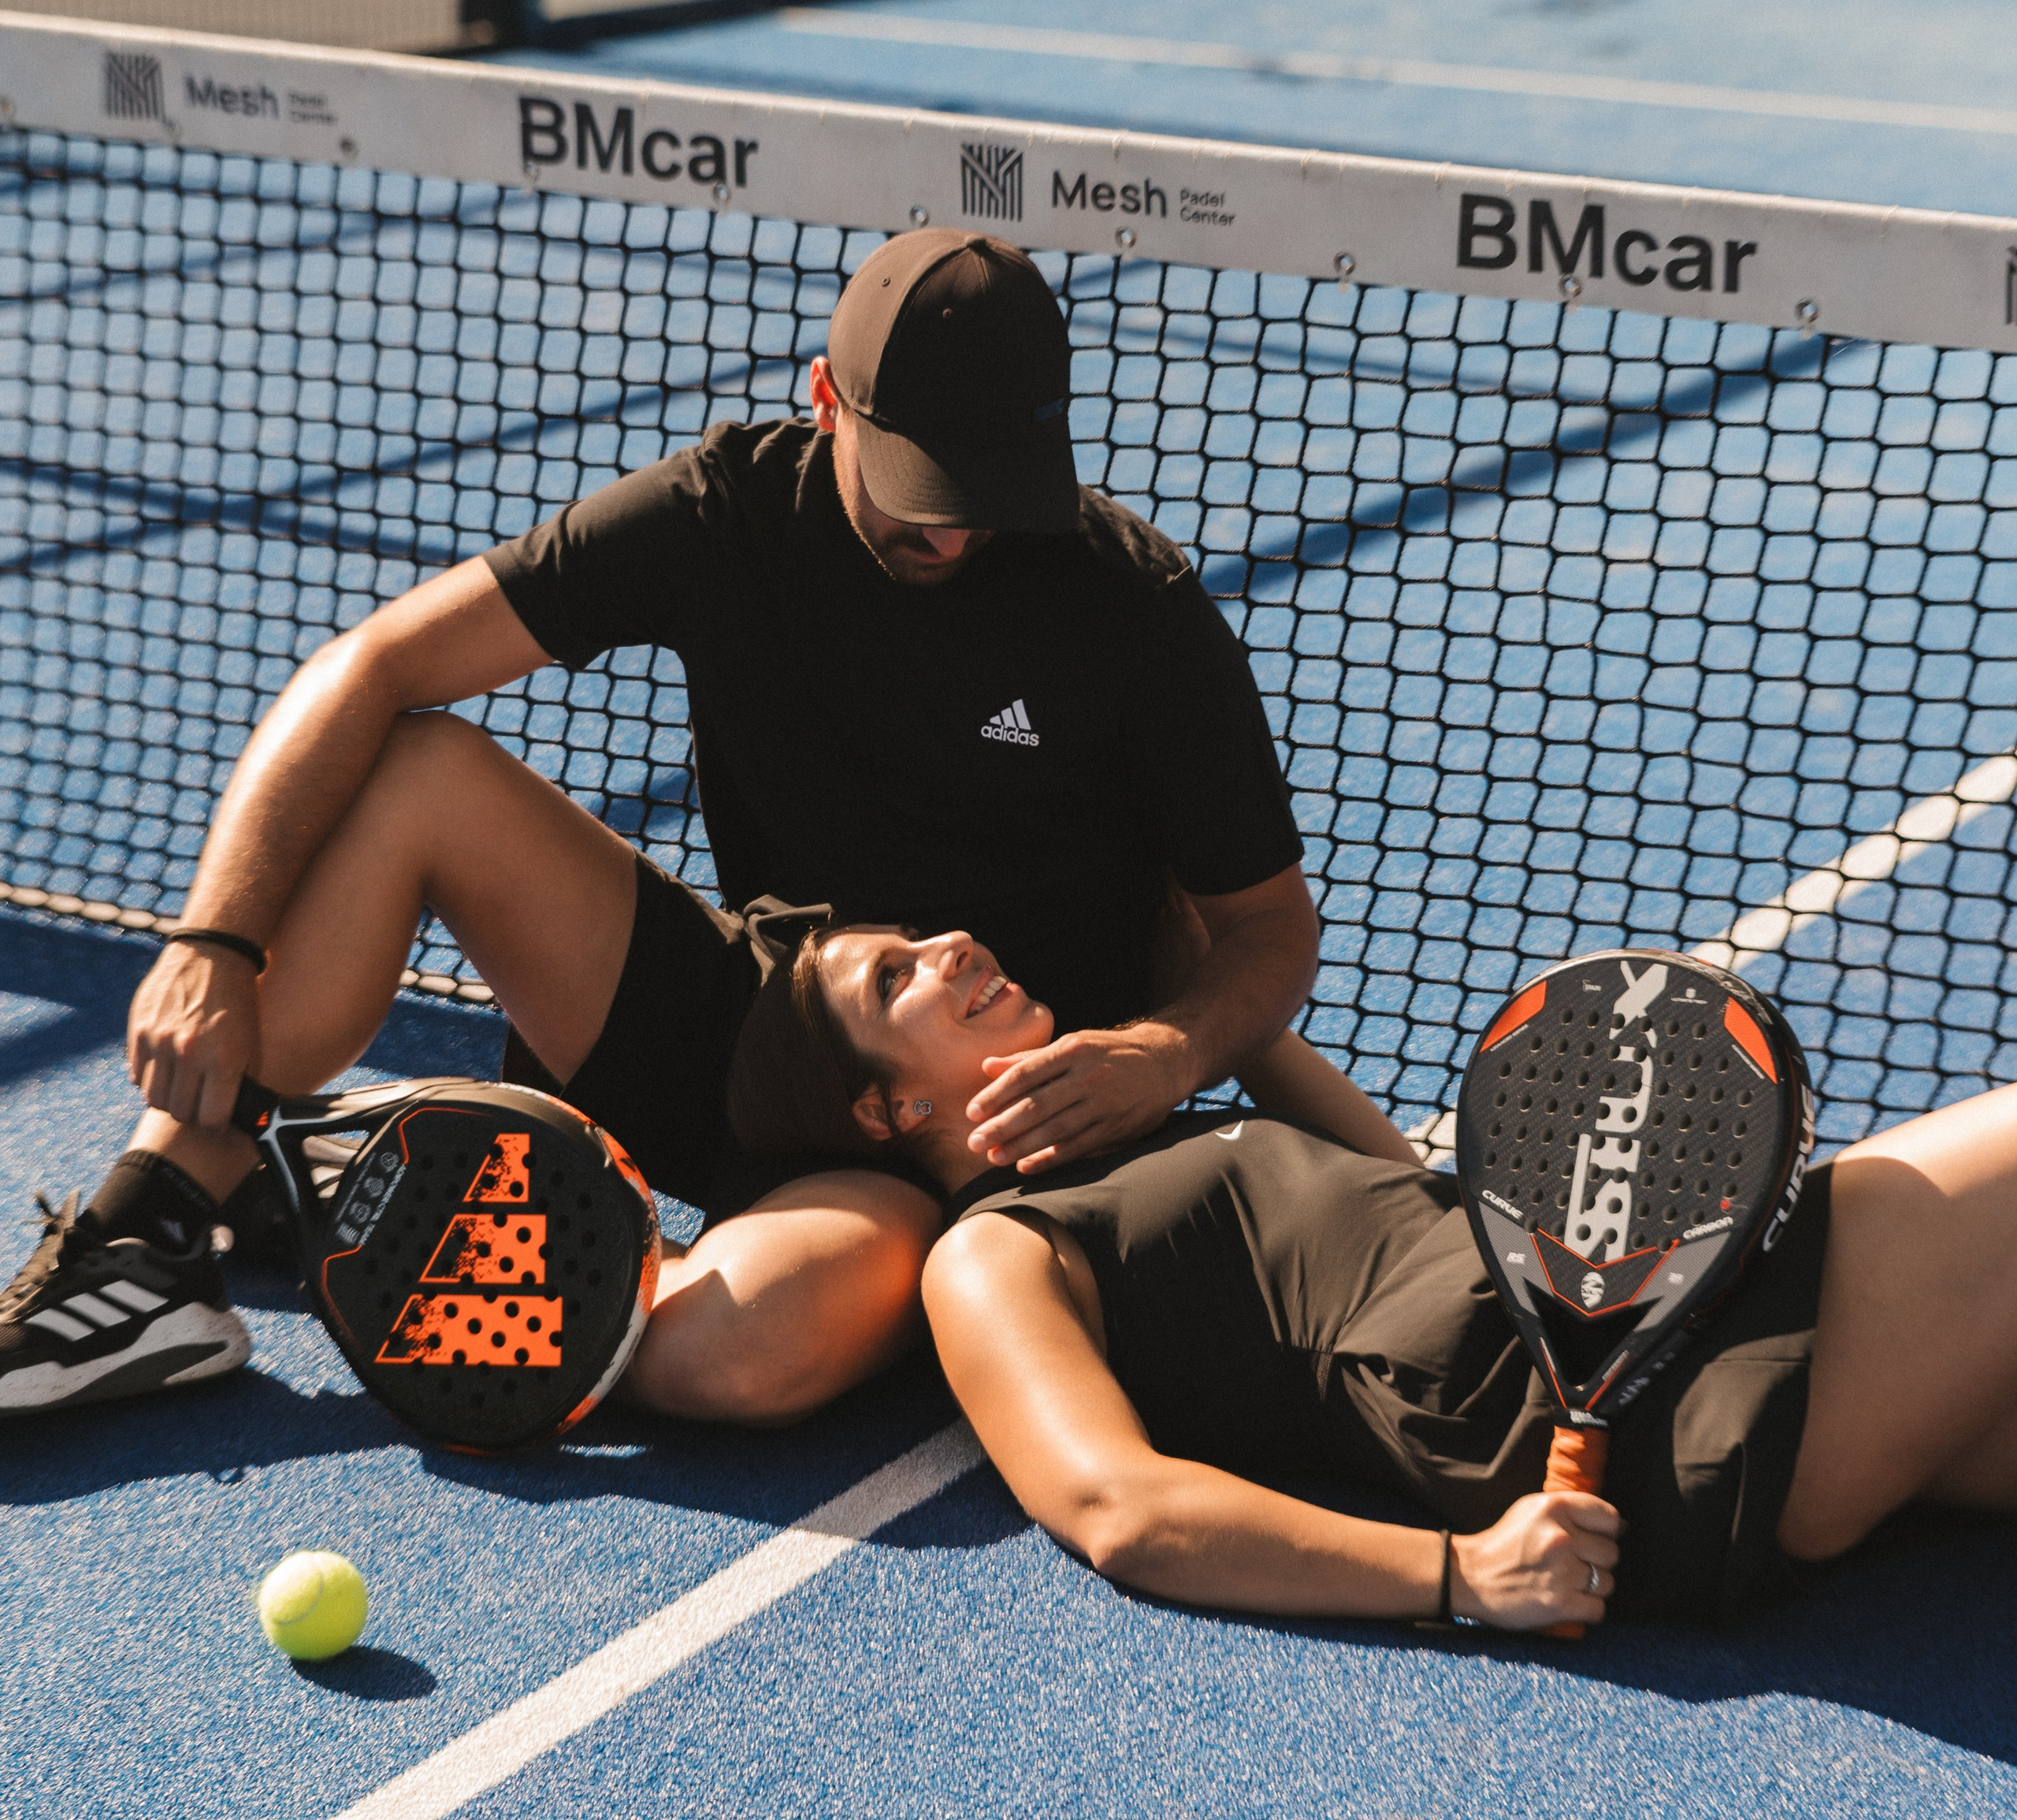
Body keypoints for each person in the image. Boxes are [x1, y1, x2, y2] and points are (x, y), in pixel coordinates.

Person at [1, 228, 1336, 1425]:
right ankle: (161, 1222)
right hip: (752, 1019)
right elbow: (373, 667)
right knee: (419, 773)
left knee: (727, 1366)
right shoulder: (726, 511)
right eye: (930, 486)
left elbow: (1268, 930)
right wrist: (214, 942)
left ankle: (381, 1186)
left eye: (996, 483)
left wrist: (1164, 1056)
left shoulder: (1133, 611)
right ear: (829, 405)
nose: (964, 531)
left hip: (971, 1132)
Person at [721, 916, 2017, 1630]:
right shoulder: (992, 1253)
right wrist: (1464, 1575)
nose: (952, 942)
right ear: (886, 1115)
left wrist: (1184, 1028)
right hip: (1639, 1420)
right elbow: (1120, 1508)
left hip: (1657, 1308)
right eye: (895, 977)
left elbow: (1425, 1192)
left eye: (926, 934)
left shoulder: (1154, 1118)